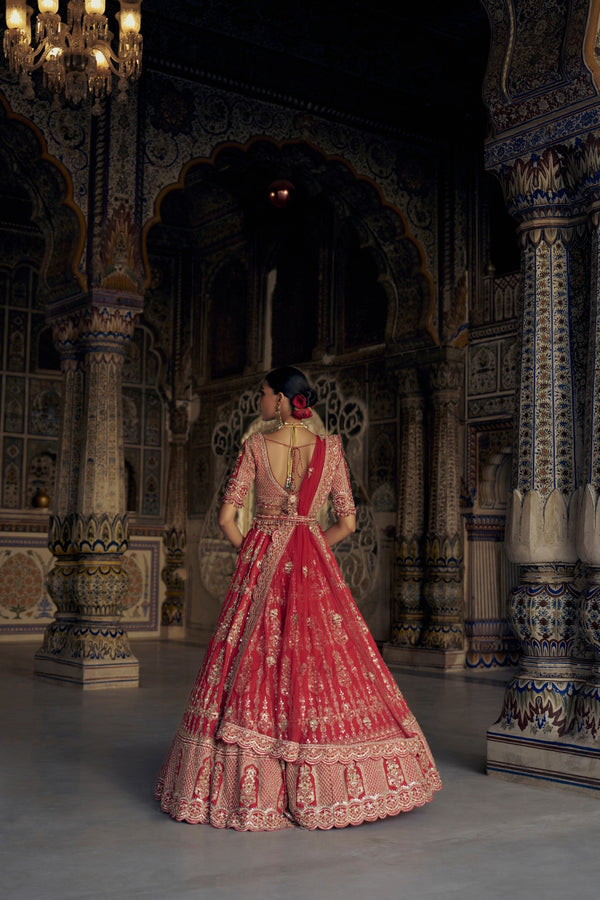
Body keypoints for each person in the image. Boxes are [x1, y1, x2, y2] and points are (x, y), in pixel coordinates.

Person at [154, 366, 441, 830]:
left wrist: (257, 552)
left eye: (265, 394)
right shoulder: (330, 450)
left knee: (253, 662)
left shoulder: (255, 446)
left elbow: (227, 519)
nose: (261, 402)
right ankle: (333, 782)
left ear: (283, 400)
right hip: (312, 566)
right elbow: (348, 522)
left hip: (262, 562)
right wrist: (309, 549)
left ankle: (255, 781)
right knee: (320, 665)